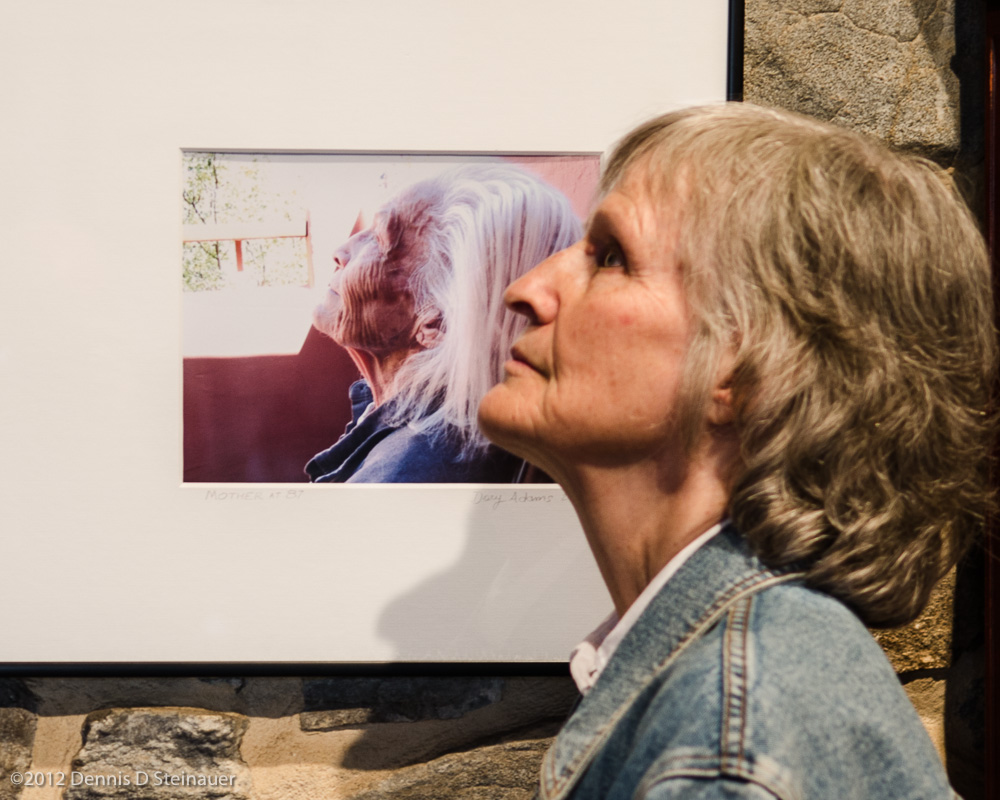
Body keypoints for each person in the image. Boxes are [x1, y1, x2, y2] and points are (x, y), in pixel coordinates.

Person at [478, 104, 995, 798]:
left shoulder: (726, 748)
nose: (526, 291)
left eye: (610, 257)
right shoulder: (750, 682)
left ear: (747, 369)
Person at [307, 164, 581, 483]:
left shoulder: (400, 480)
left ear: (437, 322)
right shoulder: (437, 434)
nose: (340, 252)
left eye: (380, 239)